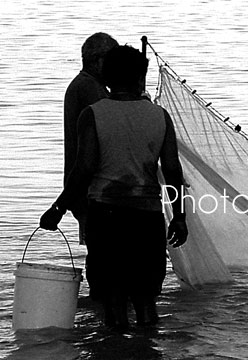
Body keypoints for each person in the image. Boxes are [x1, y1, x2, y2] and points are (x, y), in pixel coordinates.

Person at [40, 45, 188, 330]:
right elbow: (172, 171)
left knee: (114, 299)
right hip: (147, 218)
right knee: (146, 299)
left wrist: (58, 209)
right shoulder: (159, 116)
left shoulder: (94, 114)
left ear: (107, 77)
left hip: (106, 217)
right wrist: (179, 217)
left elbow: (83, 169)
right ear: (140, 77)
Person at [63, 32, 118, 243]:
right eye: (112, 61)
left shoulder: (88, 85)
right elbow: (111, 122)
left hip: (84, 187)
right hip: (90, 189)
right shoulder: (88, 87)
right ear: (98, 61)